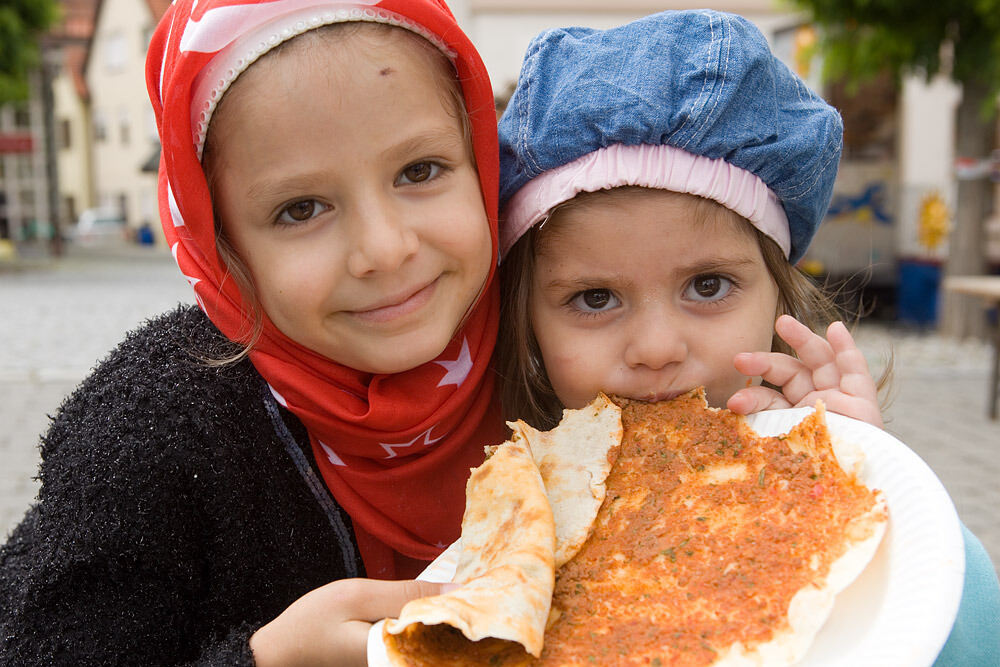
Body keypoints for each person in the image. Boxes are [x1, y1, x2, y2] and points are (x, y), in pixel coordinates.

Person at [0, 0, 506, 664]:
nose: (384, 248)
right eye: (301, 209)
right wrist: (265, 659)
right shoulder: (154, 438)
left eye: (420, 170)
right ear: (219, 245)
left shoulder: (559, 355)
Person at [495, 10, 1000, 664]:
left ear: (779, 295)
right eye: (595, 298)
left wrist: (869, 495)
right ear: (527, 323)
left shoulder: (862, 509)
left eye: (707, 286)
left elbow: (965, 630)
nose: (656, 347)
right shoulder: (510, 518)